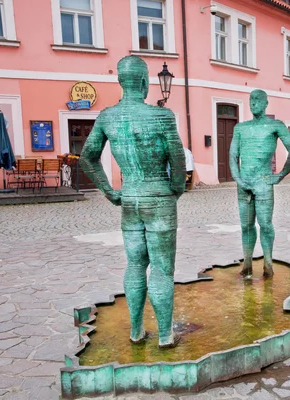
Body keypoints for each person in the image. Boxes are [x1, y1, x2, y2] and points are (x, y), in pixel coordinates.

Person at [80, 56, 186, 348]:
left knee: (135, 265)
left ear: (120, 82)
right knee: (162, 269)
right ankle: (165, 334)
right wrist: (176, 189)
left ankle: (137, 331)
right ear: (143, 82)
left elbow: (87, 158)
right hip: (158, 196)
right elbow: (177, 158)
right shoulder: (162, 116)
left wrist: (109, 190)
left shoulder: (107, 117)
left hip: (130, 198)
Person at [230, 89, 290, 278]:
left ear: (266, 103)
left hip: (263, 182)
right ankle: (247, 265)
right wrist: (238, 180)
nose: (254, 103)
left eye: (258, 100)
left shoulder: (275, 125)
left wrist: (280, 175)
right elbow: (232, 156)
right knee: (246, 226)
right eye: (251, 100)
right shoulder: (240, 128)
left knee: (265, 224)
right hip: (244, 183)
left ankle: (268, 265)